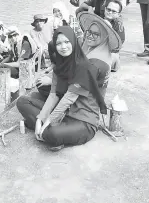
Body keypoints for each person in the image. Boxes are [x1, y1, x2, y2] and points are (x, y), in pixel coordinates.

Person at [17, 19, 121, 151]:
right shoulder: (68, 59)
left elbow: (69, 98)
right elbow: (54, 93)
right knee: (23, 101)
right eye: (89, 32)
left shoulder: (91, 65)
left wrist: (47, 121)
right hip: (68, 110)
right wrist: (40, 119)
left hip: (84, 119)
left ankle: (55, 133)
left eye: (96, 34)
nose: (63, 46)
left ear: (73, 42)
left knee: (50, 134)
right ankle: (53, 129)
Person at [103, 0, 125, 72]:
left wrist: (109, 29)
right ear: (105, 9)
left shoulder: (119, 26)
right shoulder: (98, 20)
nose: (110, 12)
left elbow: (116, 47)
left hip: (111, 54)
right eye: (108, 9)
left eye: (114, 11)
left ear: (118, 14)